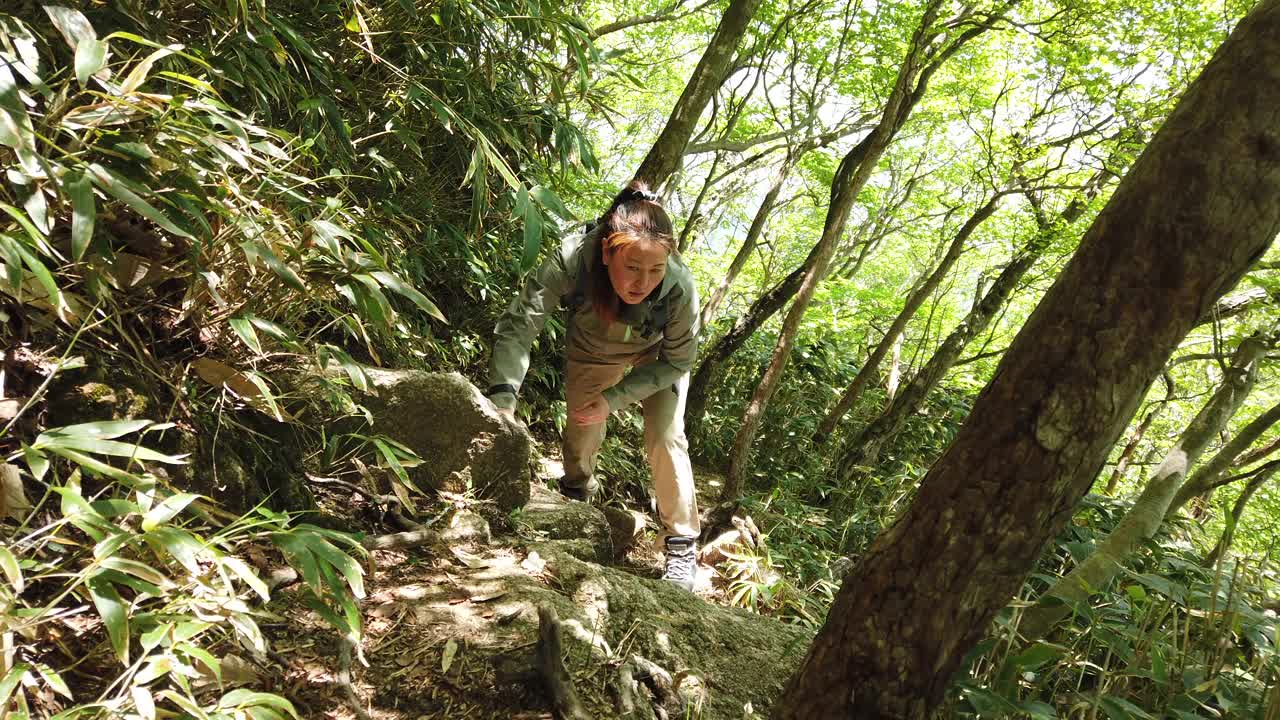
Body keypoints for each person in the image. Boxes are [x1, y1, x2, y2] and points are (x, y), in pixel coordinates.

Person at [486, 181, 701, 591]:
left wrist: (615, 398)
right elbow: (520, 325)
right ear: (606, 252)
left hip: (659, 359)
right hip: (593, 347)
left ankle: (681, 542)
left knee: (666, 436)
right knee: (581, 430)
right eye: (632, 267)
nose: (643, 282)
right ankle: (577, 494)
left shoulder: (679, 288)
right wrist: (503, 397)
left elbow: (678, 360)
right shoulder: (571, 259)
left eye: (655, 270)